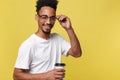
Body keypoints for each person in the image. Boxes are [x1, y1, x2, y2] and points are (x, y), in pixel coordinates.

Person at [13, 0, 82, 80]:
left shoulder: (57, 39)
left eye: (52, 18)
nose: (48, 22)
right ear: (37, 17)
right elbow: (16, 76)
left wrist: (69, 29)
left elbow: (77, 53)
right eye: (44, 17)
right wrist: (47, 76)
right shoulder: (29, 44)